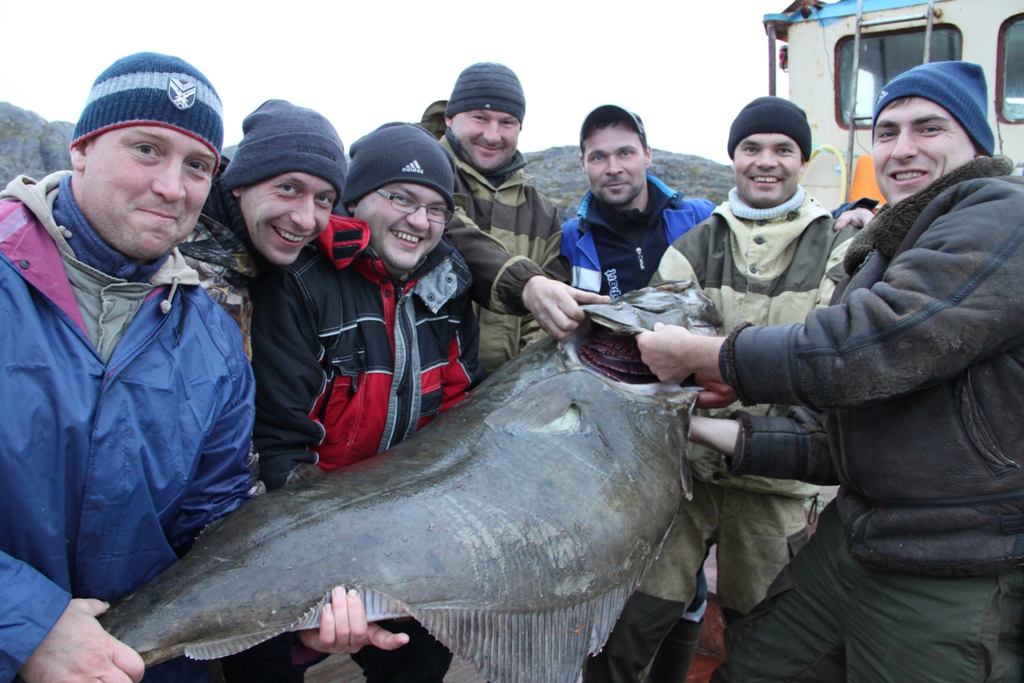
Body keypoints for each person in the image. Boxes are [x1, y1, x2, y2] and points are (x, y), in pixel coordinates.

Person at [637, 61, 1024, 682]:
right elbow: (830, 436)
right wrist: (697, 427)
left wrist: (710, 357)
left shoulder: (1004, 217)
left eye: (929, 128)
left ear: (977, 142)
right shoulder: (884, 253)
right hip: (857, 535)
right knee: (750, 668)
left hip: (956, 558)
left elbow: (869, 346)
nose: (903, 149)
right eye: (888, 131)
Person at [0, 52, 254, 683]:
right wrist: (26, 625)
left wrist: (296, 602)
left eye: (197, 165)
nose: (173, 186)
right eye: (147, 149)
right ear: (82, 148)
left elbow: (213, 527)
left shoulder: (218, 342)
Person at [249, 122, 487, 682]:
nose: (418, 220)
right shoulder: (300, 279)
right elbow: (280, 442)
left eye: (435, 208)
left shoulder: (451, 288)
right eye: (400, 197)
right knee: (262, 665)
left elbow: (460, 419)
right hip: (299, 528)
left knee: (419, 662)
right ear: (356, 200)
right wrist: (323, 569)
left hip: (406, 534)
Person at [641, 96, 858, 683]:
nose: (766, 161)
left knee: (765, 644)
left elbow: (834, 361)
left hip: (778, 492)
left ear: (803, 161)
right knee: (632, 627)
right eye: (751, 148)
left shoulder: (838, 248)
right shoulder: (690, 248)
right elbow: (656, 350)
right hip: (683, 481)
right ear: (733, 158)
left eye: (783, 149)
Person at [561, 105, 714, 683]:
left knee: (685, 564)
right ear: (584, 165)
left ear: (648, 156)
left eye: (625, 152)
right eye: (598, 157)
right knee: (629, 546)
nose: (613, 167)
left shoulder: (698, 217)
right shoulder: (573, 238)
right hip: (620, 419)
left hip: (696, 410)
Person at [421, 62, 608, 365]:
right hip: (427, 385)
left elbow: (544, 312)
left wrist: (518, 381)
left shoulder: (541, 211)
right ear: (450, 118)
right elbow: (453, 231)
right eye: (479, 117)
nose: (493, 135)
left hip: (502, 395)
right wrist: (527, 286)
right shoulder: (421, 172)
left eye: (507, 122)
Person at [179, 98, 348, 360]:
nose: (305, 220)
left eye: (323, 198)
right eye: (288, 188)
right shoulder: (185, 282)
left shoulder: (264, 263)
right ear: (239, 183)